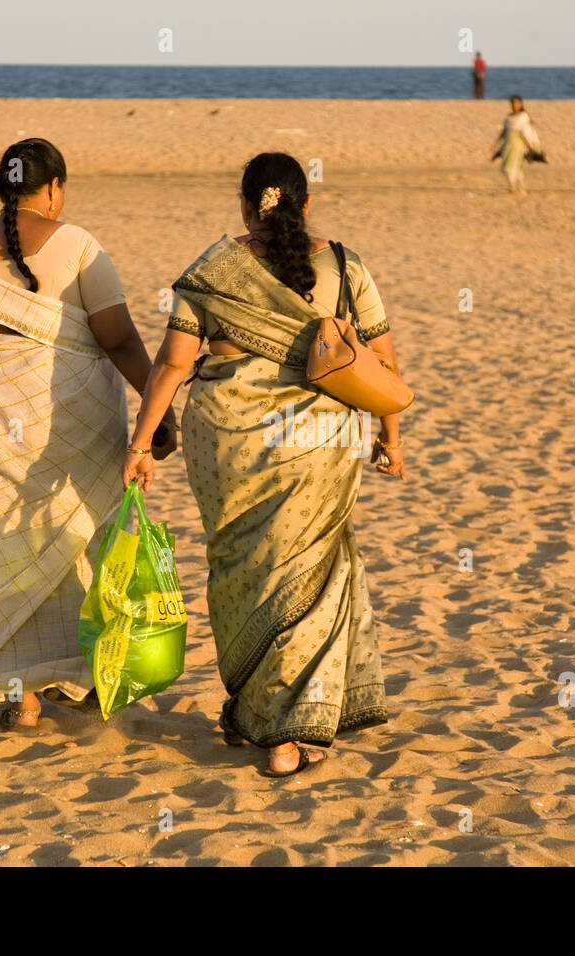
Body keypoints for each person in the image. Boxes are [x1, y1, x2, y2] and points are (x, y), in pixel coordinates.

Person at [122, 152, 405, 777]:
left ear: (246, 205)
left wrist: (142, 446)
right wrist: (391, 437)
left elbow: (172, 364)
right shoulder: (344, 265)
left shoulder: (213, 269)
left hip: (230, 445)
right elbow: (383, 362)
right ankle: (296, 731)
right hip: (321, 443)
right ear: (305, 205)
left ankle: (260, 718)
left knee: (241, 570)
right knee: (313, 573)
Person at [0, 138, 174, 728]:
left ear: (1, 189)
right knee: (68, 537)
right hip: (65, 425)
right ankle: (77, 672)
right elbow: (117, 339)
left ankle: (22, 695)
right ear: (54, 188)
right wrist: (156, 413)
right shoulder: (78, 247)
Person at [492, 95, 543, 196]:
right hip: (508, 144)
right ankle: (513, 188)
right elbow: (504, 131)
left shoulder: (524, 117)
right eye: (513, 103)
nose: (515, 105)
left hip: (519, 145)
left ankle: (520, 189)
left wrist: (530, 147)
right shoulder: (509, 117)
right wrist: (496, 144)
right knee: (507, 168)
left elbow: (526, 133)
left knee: (515, 168)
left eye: (516, 103)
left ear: (520, 104)